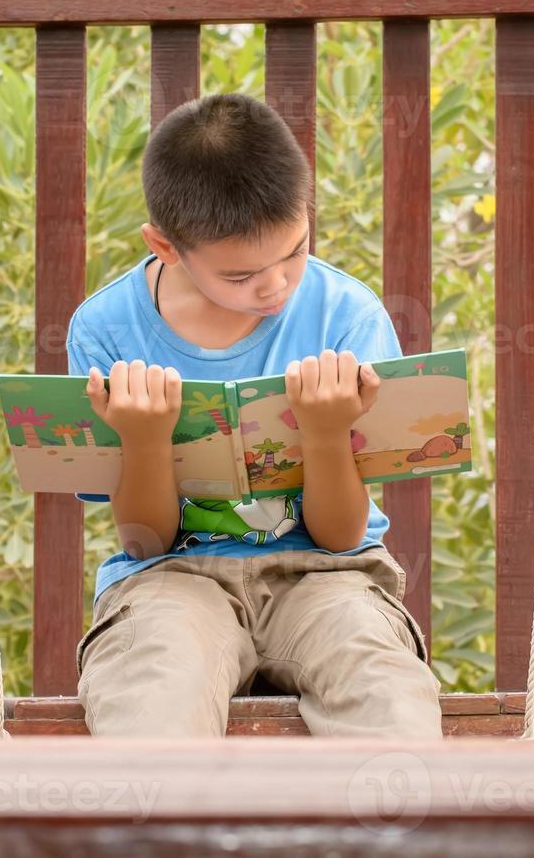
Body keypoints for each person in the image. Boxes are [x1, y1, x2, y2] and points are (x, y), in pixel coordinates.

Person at [64, 92, 443, 738]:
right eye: (241, 276)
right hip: (171, 577)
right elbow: (145, 540)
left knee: (384, 688)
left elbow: (341, 534)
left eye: (294, 251)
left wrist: (325, 435)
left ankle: (393, 831)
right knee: (152, 687)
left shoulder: (344, 316)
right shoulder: (106, 332)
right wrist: (145, 441)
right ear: (167, 246)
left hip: (327, 575)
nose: (275, 286)